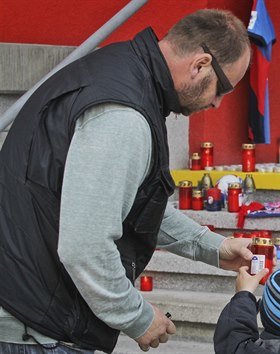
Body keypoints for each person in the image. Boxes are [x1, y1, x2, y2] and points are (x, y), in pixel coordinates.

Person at [0, 9, 261, 354]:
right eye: (223, 88)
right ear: (200, 65)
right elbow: (85, 247)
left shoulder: (118, 70)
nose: (216, 103)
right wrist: (136, 317)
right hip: (33, 327)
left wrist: (210, 246)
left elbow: (129, 202)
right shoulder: (124, 114)